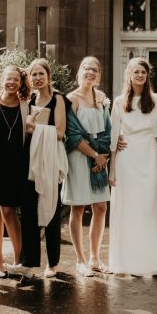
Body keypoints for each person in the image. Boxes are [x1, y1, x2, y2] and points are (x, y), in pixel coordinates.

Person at [108, 57, 157, 276]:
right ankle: (128, 262)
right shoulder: (119, 101)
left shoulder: (156, 101)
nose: (140, 75)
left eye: (143, 72)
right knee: (128, 210)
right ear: (129, 74)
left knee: (148, 209)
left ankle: (153, 260)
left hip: (148, 157)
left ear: (148, 76)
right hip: (126, 158)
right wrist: (111, 170)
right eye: (136, 71)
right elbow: (113, 138)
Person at [9, 58, 69, 280]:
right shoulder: (28, 99)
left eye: (41, 74)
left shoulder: (58, 99)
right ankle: (29, 262)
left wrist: (37, 128)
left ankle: (52, 263)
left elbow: (61, 133)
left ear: (48, 76)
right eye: (33, 74)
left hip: (49, 159)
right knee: (29, 211)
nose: (37, 78)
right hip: (29, 160)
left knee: (51, 207)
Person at [63, 56, 112, 277]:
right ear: (79, 71)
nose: (90, 72)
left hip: (99, 159)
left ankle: (95, 258)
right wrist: (94, 155)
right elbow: (71, 134)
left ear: (99, 75)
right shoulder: (71, 99)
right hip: (79, 156)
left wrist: (103, 156)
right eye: (86, 68)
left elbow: (107, 129)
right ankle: (80, 260)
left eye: (95, 69)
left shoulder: (101, 99)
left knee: (101, 207)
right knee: (79, 207)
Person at [0, 65, 29, 279]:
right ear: (1, 79)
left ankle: (19, 260)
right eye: (8, 79)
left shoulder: (26, 105)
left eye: (16, 79)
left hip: (15, 166)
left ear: (21, 83)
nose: (12, 82)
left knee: (9, 211)